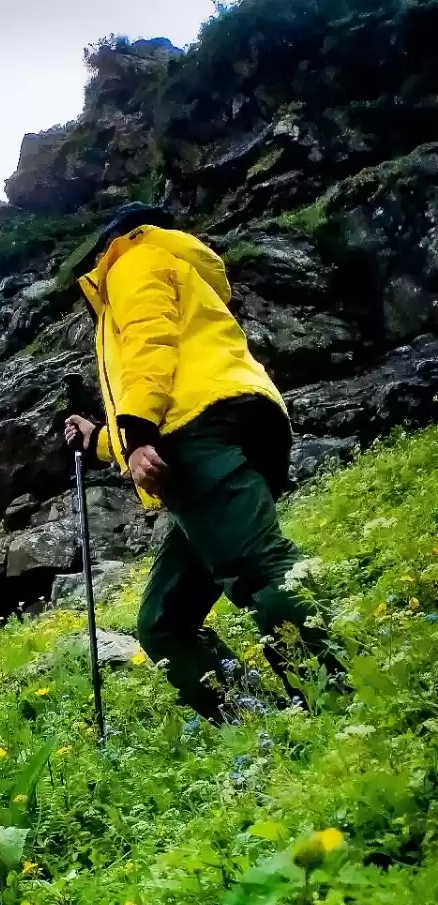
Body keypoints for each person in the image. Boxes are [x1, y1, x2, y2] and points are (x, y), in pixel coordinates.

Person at [63, 202, 339, 721]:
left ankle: (341, 696)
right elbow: (178, 369)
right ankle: (256, 722)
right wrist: (102, 436)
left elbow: (150, 341)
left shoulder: (134, 259)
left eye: (100, 249)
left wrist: (139, 432)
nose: (99, 259)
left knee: (262, 570)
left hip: (191, 435)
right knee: (163, 622)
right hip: (237, 421)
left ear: (113, 241)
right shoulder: (182, 268)